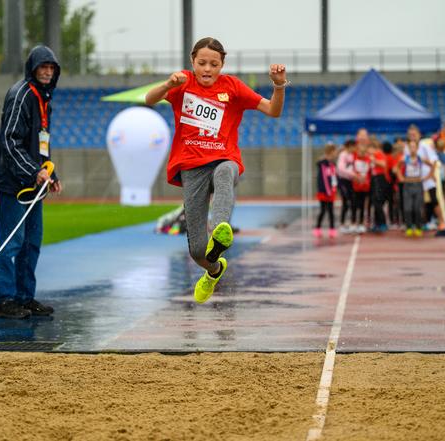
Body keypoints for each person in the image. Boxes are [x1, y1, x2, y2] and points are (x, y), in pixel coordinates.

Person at [145, 37, 287, 303]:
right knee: (198, 251)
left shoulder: (232, 86)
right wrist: (168, 84)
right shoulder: (183, 82)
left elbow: (272, 110)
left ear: (222, 64)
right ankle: (213, 270)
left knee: (225, 172)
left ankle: (221, 227)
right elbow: (149, 99)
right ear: (192, 61)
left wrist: (279, 86)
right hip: (191, 167)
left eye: (214, 64)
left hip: (225, 158)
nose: (208, 69)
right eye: (202, 63)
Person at [0, 45, 62, 319]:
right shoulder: (21, 94)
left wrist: (50, 175)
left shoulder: (44, 99)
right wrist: (34, 171)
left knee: (32, 242)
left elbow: (40, 144)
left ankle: (24, 296)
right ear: (32, 69)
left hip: (35, 184)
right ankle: (3, 300)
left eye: (51, 68)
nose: (47, 72)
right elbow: (10, 140)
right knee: (11, 242)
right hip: (14, 183)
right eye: (42, 67)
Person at [395, 140, 433, 237]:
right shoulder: (405, 158)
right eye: (410, 147)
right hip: (407, 184)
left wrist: (428, 176)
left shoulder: (420, 158)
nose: (412, 149)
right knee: (407, 208)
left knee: (417, 208)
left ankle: (418, 227)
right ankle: (408, 227)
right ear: (408, 148)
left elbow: (432, 165)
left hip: (418, 184)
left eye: (414, 147)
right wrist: (400, 177)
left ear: (417, 148)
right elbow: (397, 167)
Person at [313, 144, 338, 238]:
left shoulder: (332, 164)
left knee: (331, 211)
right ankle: (317, 228)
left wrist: (334, 188)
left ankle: (332, 229)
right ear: (330, 152)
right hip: (324, 192)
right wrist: (328, 191)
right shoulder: (323, 164)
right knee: (323, 211)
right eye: (334, 152)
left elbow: (334, 178)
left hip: (331, 192)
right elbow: (323, 179)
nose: (336, 154)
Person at [351, 130, 371, 234]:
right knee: (354, 204)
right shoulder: (353, 155)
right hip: (355, 185)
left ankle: (362, 223)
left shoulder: (369, 156)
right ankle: (354, 223)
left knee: (363, 205)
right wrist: (356, 176)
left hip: (365, 185)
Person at [336, 139, 356, 233]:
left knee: (353, 202)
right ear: (349, 146)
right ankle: (342, 224)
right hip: (343, 181)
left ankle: (353, 223)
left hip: (351, 181)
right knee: (345, 202)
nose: (354, 148)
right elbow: (340, 168)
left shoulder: (353, 155)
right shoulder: (343, 155)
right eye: (353, 147)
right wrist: (352, 174)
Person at [369, 139, 388, 232]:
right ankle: (377, 223)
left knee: (378, 201)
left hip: (379, 179)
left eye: (370, 148)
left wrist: (374, 160)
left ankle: (383, 223)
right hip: (374, 179)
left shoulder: (378, 153)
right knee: (374, 201)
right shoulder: (371, 155)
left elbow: (383, 164)